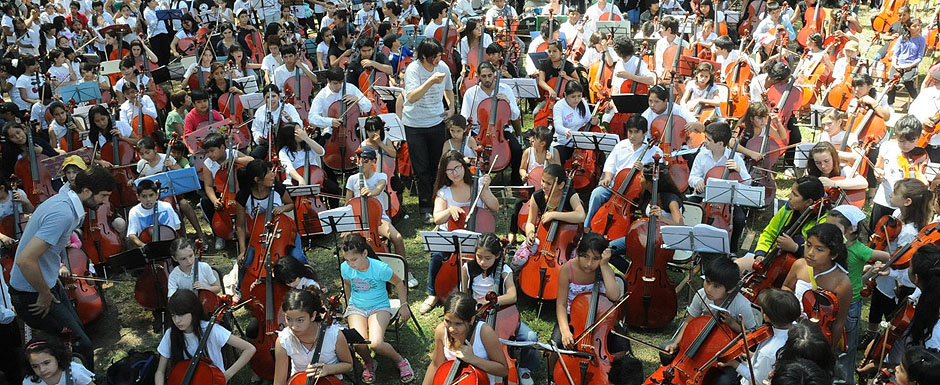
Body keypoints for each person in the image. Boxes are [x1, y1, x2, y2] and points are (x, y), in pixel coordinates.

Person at [8, 166, 116, 369]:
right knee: (80, 344)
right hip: (32, 293)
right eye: (103, 196)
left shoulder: (66, 198)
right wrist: (44, 292)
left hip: (46, 283)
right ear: (85, 191)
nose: (105, 202)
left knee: (76, 338)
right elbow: (25, 260)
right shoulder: (63, 213)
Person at [421, 150, 500, 313]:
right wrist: (450, 211)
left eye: (457, 168)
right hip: (453, 238)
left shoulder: (477, 185)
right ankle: (433, 293)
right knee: (436, 257)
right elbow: (437, 218)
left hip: (477, 239)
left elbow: (495, 207)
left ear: (463, 166)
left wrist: (485, 190)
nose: (454, 173)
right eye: (449, 170)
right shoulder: (444, 191)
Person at [459, 233, 539, 383]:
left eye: (487, 258)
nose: (482, 262)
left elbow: (512, 296)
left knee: (531, 337)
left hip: (502, 315)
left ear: (497, 255)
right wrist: (473, 305)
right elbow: (463, 295)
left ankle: (525, 368)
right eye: (479, 256)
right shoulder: (467, 269)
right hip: (476, 314)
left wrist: (490, 301)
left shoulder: (504, 270)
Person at [340, 233, 414, 384]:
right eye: (347, 260)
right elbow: (347, 284)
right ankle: (369, 363)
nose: (350, 264)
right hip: (357, 308)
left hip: (379, 307)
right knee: (358, 342)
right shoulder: (345, 268)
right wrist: (348, 305)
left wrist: (404, 305)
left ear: (365, 253)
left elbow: (399, 283)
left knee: (376, 343)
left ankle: (400, 360)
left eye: (354, 259)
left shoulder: (380, 268)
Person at [548, 232, 623, 372]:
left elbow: (614, 295)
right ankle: (552, 376)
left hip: (600, 319)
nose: (589, 264)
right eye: (585, 257)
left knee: (621, 346)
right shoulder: (568, 269)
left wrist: (605, 265)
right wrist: (565, 331)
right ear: (578, 253)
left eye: (595, 259)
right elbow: (561, 304)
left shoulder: (603, 268)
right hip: (572, 318)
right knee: (557, 344)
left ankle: (603, 370)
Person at [402, 39, 456, 220]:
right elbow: (411, 97)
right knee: (421, 168)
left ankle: (439, 203)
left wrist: (452, 107)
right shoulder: (413, 70)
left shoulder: (443, 67)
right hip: (415, 124)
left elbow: (449, 89)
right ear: (424, 57)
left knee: (437, 165)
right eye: (435, 57)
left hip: (437, 121)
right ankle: (425, 206)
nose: (438, 60)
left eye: (440, 55)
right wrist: (431, 81)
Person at [153, 290, 256, 385]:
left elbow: (249, 349)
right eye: (173, 316)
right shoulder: (171, 334)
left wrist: (226, 375)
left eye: (181, 315)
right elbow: (160, 371)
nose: (177, 321)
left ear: (193, 312)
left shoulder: (211, 330)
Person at [664, 257, 758, 356]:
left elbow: (750, 334)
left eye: (716, 286)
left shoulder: (742, 305)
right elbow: (689, 321)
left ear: (730, 289)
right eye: (707, 281)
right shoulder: (701, 294)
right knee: (666, 351)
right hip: (702, 340)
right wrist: (676, 343)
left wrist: (732, 323)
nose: (709, 289)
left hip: (727, 350)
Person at [781, 223, 852, 352]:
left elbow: (839, 323)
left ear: (833, 254)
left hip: (816, 339)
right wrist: (793, 309)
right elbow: (786, 287)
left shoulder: (842, 284)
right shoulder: (799, 265)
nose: (810, 253)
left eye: (819, 249)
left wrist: (829, 352)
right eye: (808, 245)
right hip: (791, 327)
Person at [583, 115, 662, 228]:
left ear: (644, 133)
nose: (632, 136)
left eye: (636, 132)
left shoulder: (655, 151)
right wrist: (607, 178)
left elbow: (658, 173)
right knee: (597, 194)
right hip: (615, 187)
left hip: (636, 192)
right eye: (630, 132)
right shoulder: (621, 145)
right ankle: (587, 226)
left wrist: (644, 170)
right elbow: (611, 165)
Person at [420, 292, 510, 385]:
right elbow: (435, 364)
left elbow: (503, 370)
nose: (451, 329)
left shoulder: (485, 332)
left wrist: (473, 359)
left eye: (458, 324)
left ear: (471, 320)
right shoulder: (441, 330)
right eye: (447, 321)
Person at [718, 288, 801, 385]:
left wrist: (734, 364)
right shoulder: (797, 328)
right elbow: (771, 363)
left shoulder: (768, 352)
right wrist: (753, 355)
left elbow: (757, 381)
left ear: (765, 316)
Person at [272, 288, 354, 385]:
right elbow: (279, 381)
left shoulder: (333, 335)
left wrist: (328, 369)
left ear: (313, 316)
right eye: (288, 319)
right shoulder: (284, 340)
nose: (293, 326)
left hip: (329, 381)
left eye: (300, 320)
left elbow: (348, 364)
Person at [234, 159, 306, 266]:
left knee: (298, 257)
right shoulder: (243, 196)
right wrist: (243, 250)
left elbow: (291, 204)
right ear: (257, 179)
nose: (272, 174)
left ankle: (308, 276)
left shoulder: (277, 187)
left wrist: (283, 208)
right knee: (247, 262)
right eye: (267, 172)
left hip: (283, 231)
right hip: (259, 236)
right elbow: (240, 226)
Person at [344, 147, 407, 260]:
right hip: (357, 221)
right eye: (359, 159)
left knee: (397, 238)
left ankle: (402, 267)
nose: (361, 162)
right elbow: (347, 204)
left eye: (366, 160)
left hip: (378, 219)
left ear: (374, 161)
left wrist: (371, 192)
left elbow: (379, 188)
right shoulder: (352, 179)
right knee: (347, 244)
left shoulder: (380, 176)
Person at [871, 115, 924, 229]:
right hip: (883, 199)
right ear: (896, 135)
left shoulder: (921, 154)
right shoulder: (887, 147)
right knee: (876, 232)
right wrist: (878, 173)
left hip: (906, 205)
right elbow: (878, 166)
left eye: (912, 141)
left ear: (918, 137)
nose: (906, 146)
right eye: (902, 141)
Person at [251, 84, 304, 160]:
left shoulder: (288, 107)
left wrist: (290, 120)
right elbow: (256, 129)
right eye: (268, 97)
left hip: (286, 142)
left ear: (279, 96)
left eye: (273, 96)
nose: (271, 100)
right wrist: (258, 138)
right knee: (254, 155)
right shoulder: (260, 111)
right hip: (268, 143)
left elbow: (300, 125)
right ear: (264, 99)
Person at [125, 179, 181, 248]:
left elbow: (175, 228)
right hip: (147, 243)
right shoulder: (134, 212)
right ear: (138, 197)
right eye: (144, 196)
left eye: (151, 195)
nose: (148, 199)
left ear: (157, 195)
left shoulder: (166, 207)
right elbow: (131, 235)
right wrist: (144, 246)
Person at [551, 81, 597, 165]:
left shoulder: (582, 102)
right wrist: (566, 131)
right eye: (573, 97)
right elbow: (558, 127)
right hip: (564, 142)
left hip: (580, 141)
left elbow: (588, 119)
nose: (577, 99)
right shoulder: (559, 106)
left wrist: (595, 121)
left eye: (579, 96)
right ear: (565, 95)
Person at [23, 336, 95, 385]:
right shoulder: (29, 382)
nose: (42, 369)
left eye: (46, 363)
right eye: (35, 366)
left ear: (57, 357)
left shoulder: (74, 372)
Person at [886, 18, 926, 106]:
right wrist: (895, 65)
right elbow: (896, 53)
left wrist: (911, 65)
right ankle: (890, 104)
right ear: (908, 28)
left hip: (911, 65)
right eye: (914, 26)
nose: (918, 28)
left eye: (918, 25)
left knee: (907, 80)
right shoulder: (902, 38)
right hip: (899, 64)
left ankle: (917, 100)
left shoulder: (921, 40)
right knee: (892, 81)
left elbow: (919, 57)